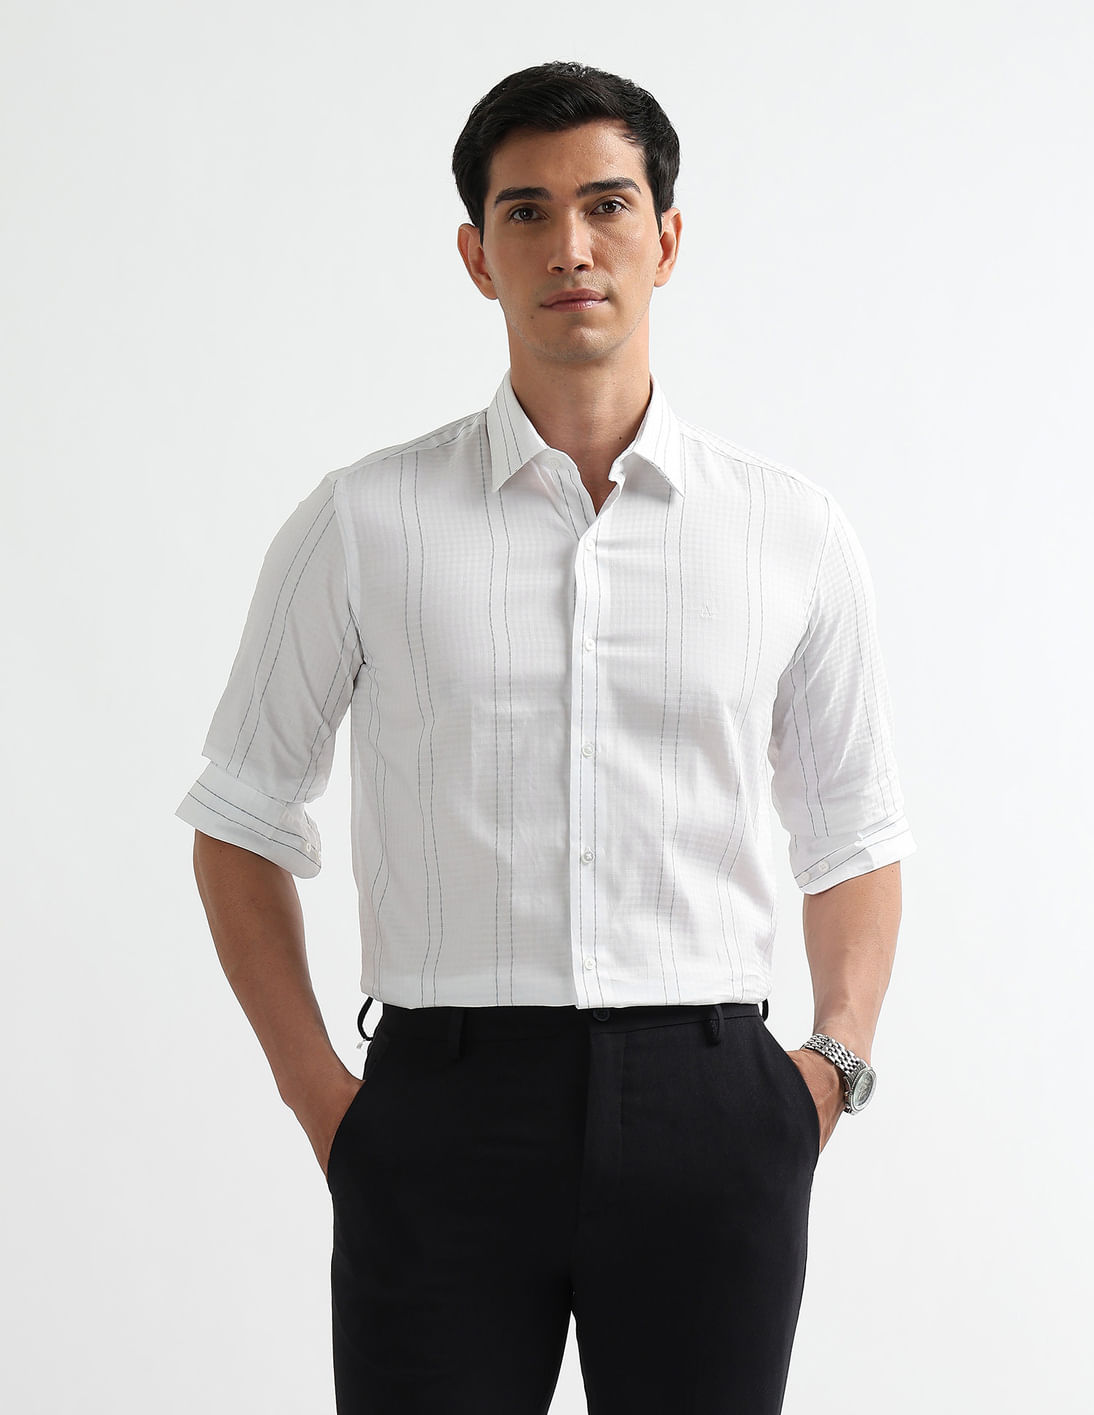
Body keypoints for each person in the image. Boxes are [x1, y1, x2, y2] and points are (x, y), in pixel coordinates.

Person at [176, 59, 916, 1415]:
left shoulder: (788, 532)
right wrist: (323, 1102)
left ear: (665, 239)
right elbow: (239, 820)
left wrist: (832, 1064)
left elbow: (853, 830)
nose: (570, 245)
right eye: (526, 211)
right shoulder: (363, 522)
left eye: (606, 205)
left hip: (712, 1111)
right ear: (477, 255)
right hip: (440, 1115)